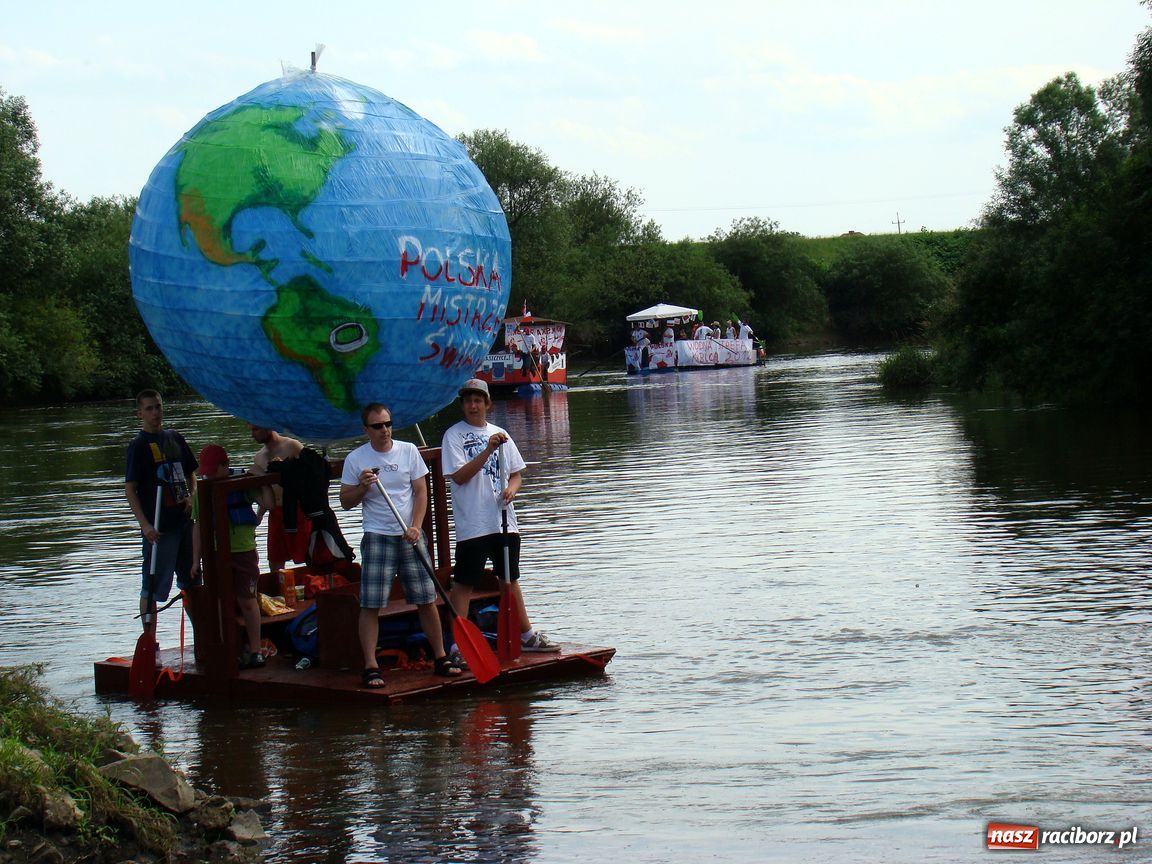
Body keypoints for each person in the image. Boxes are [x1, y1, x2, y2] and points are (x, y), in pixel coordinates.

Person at [339, 403, 463, 686]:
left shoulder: (408, 451)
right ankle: (371, 665)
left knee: (425, 598)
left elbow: (421, 493)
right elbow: (345, 502)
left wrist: (416, 527)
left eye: (387, 424)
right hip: (377, 535)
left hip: (410, 535)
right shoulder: (356, 459)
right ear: (366, 430)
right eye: (377, 426)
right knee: (371, 604)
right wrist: (362, 487)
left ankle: (441, 656)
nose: (384, 430)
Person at [442, 379, 559, 653]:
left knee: (509, 578)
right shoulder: (454, 436)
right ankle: (458, 645)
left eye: (478, 400)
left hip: (504, 521)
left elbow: (516, 473)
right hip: (473, 524)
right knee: (464, 582)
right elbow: (459, 476)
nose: (473, 405)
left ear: (487, 404)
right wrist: (487, 450)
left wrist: (511, 490)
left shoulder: (500, 433)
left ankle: (526, 635)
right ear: (463, 405)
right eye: (469, 401)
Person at [124, 390, 197, 630]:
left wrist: (191, 497)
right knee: (152, 586)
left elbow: (191, 474)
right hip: (159, 527)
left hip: (184, 522)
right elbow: (130, 489)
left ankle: (202, 637)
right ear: (140, 414)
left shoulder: (174, 438)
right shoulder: (138, 446)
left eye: (158, 407)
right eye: (149, 409)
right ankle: (149, 642)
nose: (155, 412)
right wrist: (145, 525)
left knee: (193, 581)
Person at [191, 444, 268, 669]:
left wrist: (262, 478)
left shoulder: (242, 484)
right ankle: (227, 648)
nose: (209, 476)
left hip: (243, 550)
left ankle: (256, 651)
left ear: (226, 465)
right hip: (215, 553)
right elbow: (197, 526)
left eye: (213, 470)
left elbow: (270, 504)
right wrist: (196, 560)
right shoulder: (202, 491)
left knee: (247, 599)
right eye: (205, 472)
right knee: (217, 601)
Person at [248, 425, 311, 575]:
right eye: (251, 430)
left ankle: (314, 589)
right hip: (275, 512)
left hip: (297, 509)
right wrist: (259, 515)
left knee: (307, 555)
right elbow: (267, 488)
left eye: (255, 430)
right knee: (275, 560)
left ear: (267, 426)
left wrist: (285, 469)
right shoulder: (259, 456)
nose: (252, 435)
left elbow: (310, 475)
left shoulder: (292, 446)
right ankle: (280, 594)